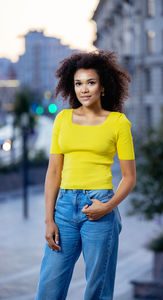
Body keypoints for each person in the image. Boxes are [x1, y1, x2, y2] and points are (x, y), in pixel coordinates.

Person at [35, 50, 136, 300]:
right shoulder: (63, 119)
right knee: (49, 288)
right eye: (78, 83)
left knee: (97, 290)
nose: (84, 89)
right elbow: (54, 171)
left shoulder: (118, 122)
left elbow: (129, 177)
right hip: (65, 208)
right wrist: (49, 219)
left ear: (102, 86)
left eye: (91, 82)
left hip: (99, 205)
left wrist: (107, 207)